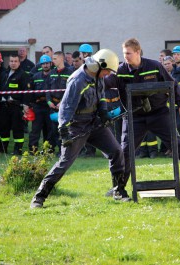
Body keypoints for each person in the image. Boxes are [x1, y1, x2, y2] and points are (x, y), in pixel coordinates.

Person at [106, 38, 180, 201]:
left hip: (158, 114)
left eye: (128, 53)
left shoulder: (154, 66)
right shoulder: (120, 70)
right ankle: (119, 189)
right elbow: (105, 83)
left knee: (176, 143)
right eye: (124, 54)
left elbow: (173, 84)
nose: (126, 56)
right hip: (134, 116)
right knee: (125, 152)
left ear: (137, 52)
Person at [30, 49, 128, 208]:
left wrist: (103, 112)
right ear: (100, 65)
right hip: (76, 126)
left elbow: (101, 95)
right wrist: (63, 130)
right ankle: (39, 197)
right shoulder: (78, 81)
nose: (108, 75)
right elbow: (66, 107)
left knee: (116, 151)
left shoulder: (98, 76)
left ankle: (118, 190)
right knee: (64, 163)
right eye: (108, 71)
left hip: (94, 123)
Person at [0, 54, 29, 155]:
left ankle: (17, 150)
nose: (13, 63)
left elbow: (27, 92)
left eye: (15, 61)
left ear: (19, 62)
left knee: (17, 128)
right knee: (3, 128)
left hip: (16, 106)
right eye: (11, 61)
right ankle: (2, 148)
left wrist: (25, 105)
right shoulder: (4, 73)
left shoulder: (23, 75)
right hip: (3, 105)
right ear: (8, 62)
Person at [46, 51, 73, 153]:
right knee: (53, 130)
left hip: (64, 106)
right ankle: (57, 149)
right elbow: (47, 89)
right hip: (52, 106)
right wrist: (49, 101)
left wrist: (62, 102)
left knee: (64, 129)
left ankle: (65, 150)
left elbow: (70, 91)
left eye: (55, 59)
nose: (53, 61)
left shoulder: (69, 73)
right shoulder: (51, 73)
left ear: (61, 59)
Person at [28, 54, 53, 153]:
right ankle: (33, 150)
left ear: (50, 63)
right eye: (43, 64)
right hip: (38, 106)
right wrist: (31, 104)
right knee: (35, 129)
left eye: (47, 63)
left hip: (50, 106)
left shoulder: (54, 75)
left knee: (50, 129)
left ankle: (48, 150)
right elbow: (31, 92)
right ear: (40, 65)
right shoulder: (36, 76)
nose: (45, 65)